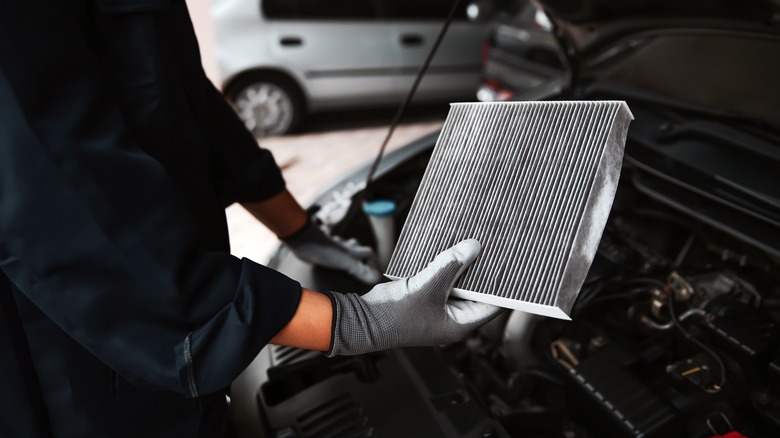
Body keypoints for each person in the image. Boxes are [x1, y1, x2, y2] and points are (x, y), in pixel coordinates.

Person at [0, 1, 501, 436]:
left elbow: (185, 103)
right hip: (85, 367)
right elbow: (61, 200)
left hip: (174, 349)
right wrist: (356, 323)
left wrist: (300, 230)